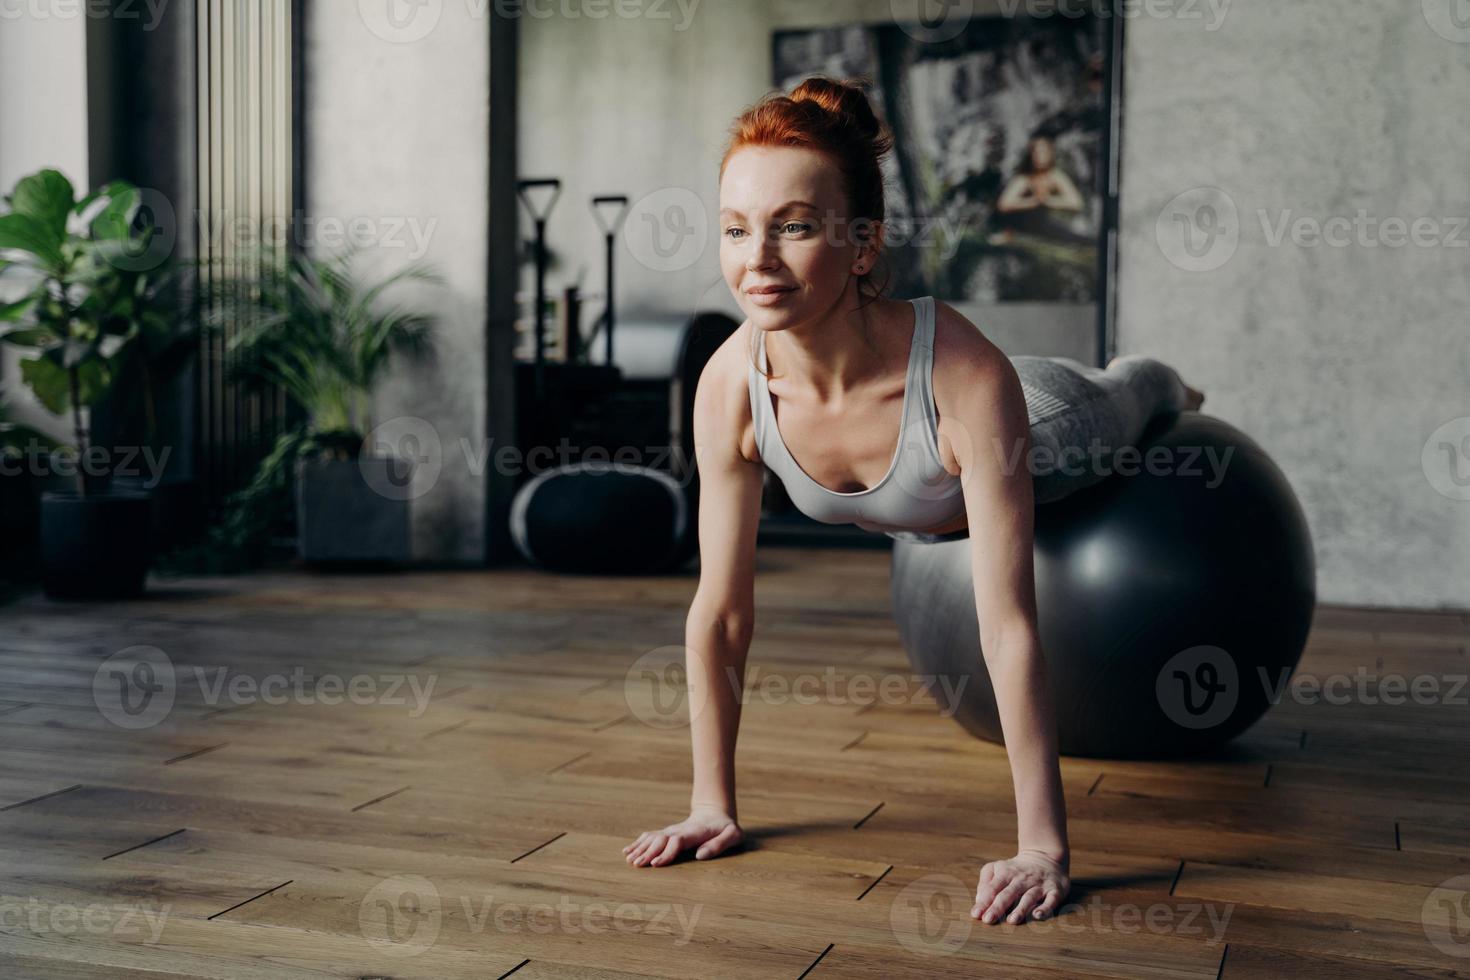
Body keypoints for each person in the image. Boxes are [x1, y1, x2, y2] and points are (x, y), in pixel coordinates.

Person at [621, 76, 1203, 927]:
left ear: (862, 245)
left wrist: (1042, 846)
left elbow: (1005, 624)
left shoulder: (965, 375)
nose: (758, 261)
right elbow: (720, 614)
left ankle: (1161, 378)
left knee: (1125, 393)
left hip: (1041, 432)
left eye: (793, 227)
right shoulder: (729, 388)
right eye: (736, 230)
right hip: (929, 503)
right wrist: (714, 802)